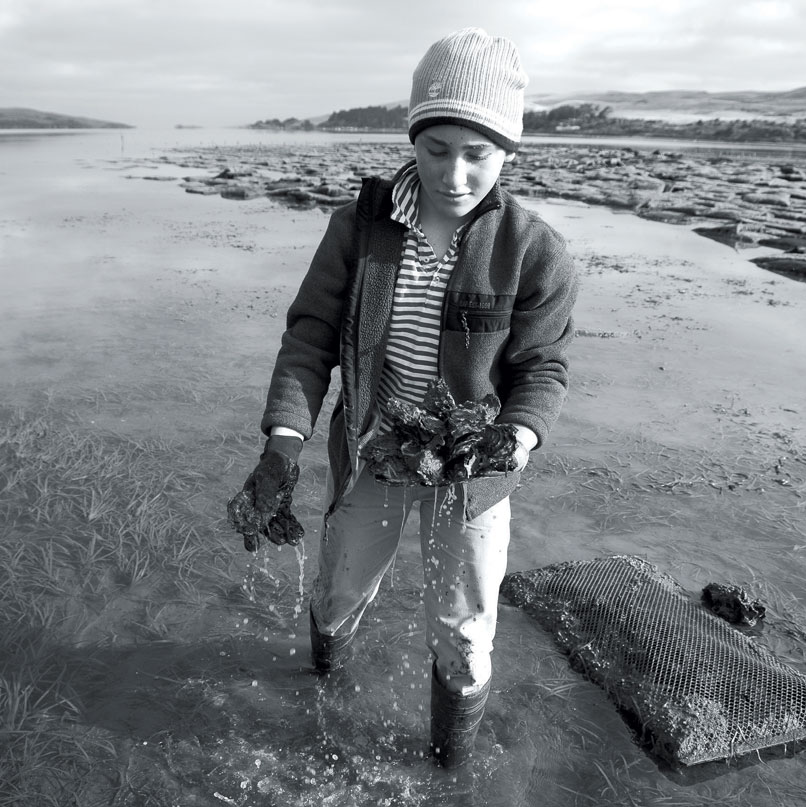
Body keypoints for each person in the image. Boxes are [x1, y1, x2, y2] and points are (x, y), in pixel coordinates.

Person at [228, 27, 578, 769]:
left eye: (477, 153)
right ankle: (326, 683)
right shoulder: (359, 229)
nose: (455, 172)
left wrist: (516, 435)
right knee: (340, 588)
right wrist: (283, 443)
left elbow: (543, 367)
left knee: (463, 627)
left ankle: (450, 766)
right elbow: (310, 338)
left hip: (472, 469)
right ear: (413, 138)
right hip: (375, 451)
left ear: (507, 152)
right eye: (437, 147)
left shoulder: (535, 250)